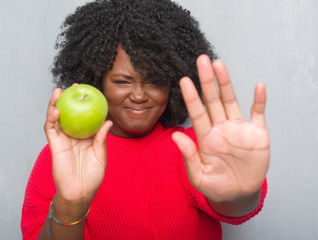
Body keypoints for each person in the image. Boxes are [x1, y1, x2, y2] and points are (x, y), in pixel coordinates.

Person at [21, 0, 270, 239]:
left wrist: (242, 193)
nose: (139, 95)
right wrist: (71, 204)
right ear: (96, 82)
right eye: (122, 82)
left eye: (154, 81)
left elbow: (234, 205)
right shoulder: (60, 158)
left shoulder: (195, 146)